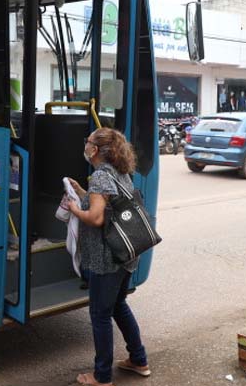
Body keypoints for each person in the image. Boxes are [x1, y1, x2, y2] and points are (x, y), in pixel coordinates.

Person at [64, 128, 150, 386]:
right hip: (125, 254)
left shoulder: (101, 176)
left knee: (100, 314)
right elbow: (108, 208)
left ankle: (101, 376)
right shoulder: (120, 172)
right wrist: (81, 193)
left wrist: (74, 209)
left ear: (97, 150)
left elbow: (97, 217)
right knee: (118, 306)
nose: (86, 145)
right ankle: (139, 359)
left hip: (106, 258)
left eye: (88, 142)